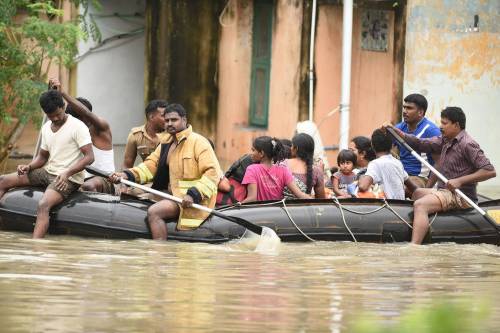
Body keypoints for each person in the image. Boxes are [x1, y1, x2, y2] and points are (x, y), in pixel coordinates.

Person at [108, 103, 221, 240]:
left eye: (174, 120)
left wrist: (193, 195)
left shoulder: (199, 142)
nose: (169, 124)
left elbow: (212, 173)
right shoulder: (165, 143)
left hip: (191, 200)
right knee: (128, 196)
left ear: (184, 120)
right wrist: (126, 175)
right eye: (167, 120)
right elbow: (149, 166)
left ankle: (160, 253)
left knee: (154, 212)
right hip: (169, 194)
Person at [386, 107, 496, 244]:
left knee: (420, 205)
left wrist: (460, 181)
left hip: (460, 196)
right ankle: (423, 225)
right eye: (441, 122)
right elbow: (420, 143)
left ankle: (414, 246)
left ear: (456, 125)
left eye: (444, 123)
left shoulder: (468, 144)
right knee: (417, 193)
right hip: (445, 191)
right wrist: (399, 133)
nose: (440, 126)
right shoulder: (445, 140)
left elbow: (490, 171)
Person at [0, 90, 94, 238]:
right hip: (48, 172)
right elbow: (42, 157)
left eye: (58, 114)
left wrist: (67, 172)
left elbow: (89, 157)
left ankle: (36, 247)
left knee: (43, 204)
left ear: (63, 106)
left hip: (68, 178)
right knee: (3, 181)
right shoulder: (46, 128)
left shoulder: (78, 126)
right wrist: (29, 166)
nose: (56, 118)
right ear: (46, 113)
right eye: (51, 116)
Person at [49, 78, 115, 194]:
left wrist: (63, 93)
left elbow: (86, 113)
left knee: (88, 186)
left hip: (105, 180)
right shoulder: (72, 130)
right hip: (78, 179)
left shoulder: (101, 128)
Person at [241, 136, 312, 202]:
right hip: (278, 213)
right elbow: (300, 195)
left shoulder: (252, 169)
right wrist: (318, 203)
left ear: (261, 153)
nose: (251, 153)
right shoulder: (283, 170)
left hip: (259, 213)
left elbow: (252, 198)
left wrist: (236, 206)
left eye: (253, 150)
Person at [395, 94, 441, 188]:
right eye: (404, 107)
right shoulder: (400, 127)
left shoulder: (431, 131)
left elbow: (439, 163)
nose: (404, 111)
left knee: (398, 188)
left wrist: (426, 190)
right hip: (401, 174)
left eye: (409, 108)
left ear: (420, 112)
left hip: (420, 178)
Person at [358, 129, 416, 200]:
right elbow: (413, 188)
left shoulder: (375, 164)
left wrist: (361, 178)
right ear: (391, 146)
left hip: (386, 207)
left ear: (372, 145)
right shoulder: (398, 163)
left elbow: (363, 186)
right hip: (401, 207)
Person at [123, 99, 167, 168]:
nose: (167, 119)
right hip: (146, 175)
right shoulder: (136, 135)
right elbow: (127, 165)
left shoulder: (171, 135)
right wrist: (123, 177)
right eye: (163, 116)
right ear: (151, 117)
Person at [283, 133, 325, 199]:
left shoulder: (283, 164)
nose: (290, 148)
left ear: (296, 148)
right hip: (305, 208)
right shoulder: (317, 171)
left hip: (282, 208)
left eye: (292, 146)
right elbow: (321, 199)